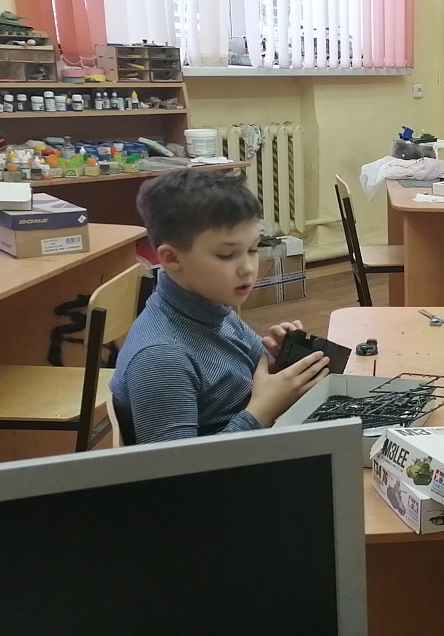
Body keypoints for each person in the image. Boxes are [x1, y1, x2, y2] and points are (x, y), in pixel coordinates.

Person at [110, 168, 329, 443]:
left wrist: (281, 361)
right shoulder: (162, 359)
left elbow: (251, 376)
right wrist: (262, 411)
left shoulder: (213, 306)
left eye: (253, 249)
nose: (248, 268)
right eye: (226, 254)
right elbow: (175, 469)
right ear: (172, 259)